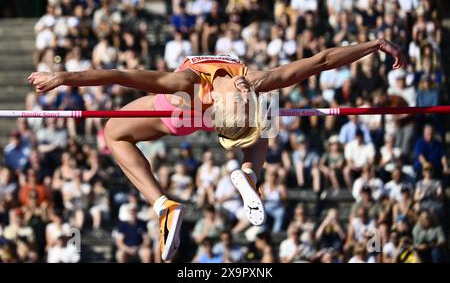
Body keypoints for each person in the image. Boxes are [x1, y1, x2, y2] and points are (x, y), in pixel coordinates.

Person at [28, 38, 406, 261]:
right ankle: (247, 172)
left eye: (242, 97)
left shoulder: (193, 83)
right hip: (199, 111)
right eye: (244, 97)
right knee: (269, 103)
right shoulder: (252, 82)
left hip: (187, 106)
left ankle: (164, 203)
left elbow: (121, 75)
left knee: (114, 132)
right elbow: (318, 62)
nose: (244, 91)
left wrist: (64, 77)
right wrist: (372, 44)